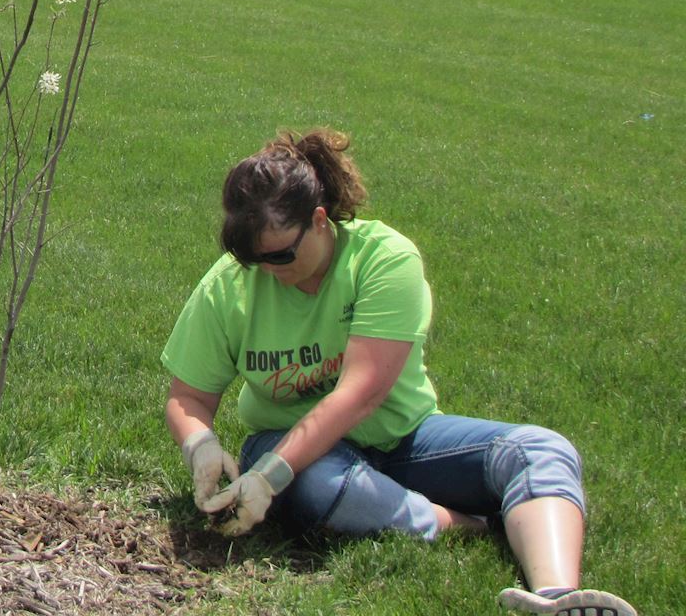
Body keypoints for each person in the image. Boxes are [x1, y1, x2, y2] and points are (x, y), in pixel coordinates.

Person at [162, 129, 636, 616]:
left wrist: (269, 478)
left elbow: (360, 394)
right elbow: (188, 397)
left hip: (404, 440)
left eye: (280, 254)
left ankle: (558, 598)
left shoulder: (384, 259)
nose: (267, 270)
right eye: (252, 259)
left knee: (540, 450)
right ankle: (463, 524)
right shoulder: (228, 286)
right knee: (320, 485)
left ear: (319, 220)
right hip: (291, 446)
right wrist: (201, 445)